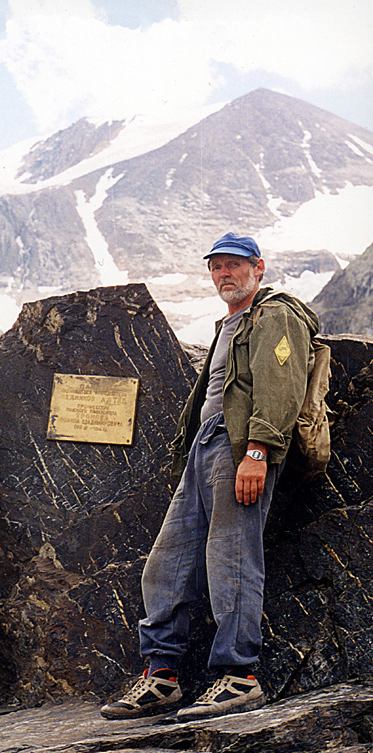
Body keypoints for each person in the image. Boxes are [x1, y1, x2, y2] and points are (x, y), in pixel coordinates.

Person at [101, 232, 319, 722]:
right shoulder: (229, 323)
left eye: (234, 265)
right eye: (216, 266)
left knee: (232, 557)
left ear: (258, 268)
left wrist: (258, 452)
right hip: (205, 448)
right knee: (168, 562)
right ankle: (161, 676)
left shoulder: (275, 314)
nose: (224, 273)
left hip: (239, 446)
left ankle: (239, 677)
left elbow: (279, 386)